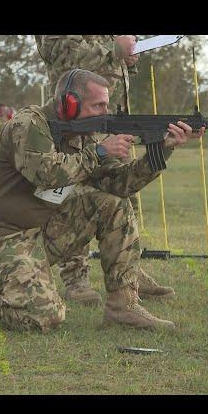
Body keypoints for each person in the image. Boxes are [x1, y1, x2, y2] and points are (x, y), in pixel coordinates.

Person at [0, 68, 203, 331]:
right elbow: (46, 175)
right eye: (98, 105)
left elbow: (120, 184)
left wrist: (162, 149)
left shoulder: (84, 136)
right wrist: (100, 152)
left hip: (41, 231)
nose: (105, 112)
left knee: (113, 205)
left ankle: (123, 307)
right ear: (69, 103)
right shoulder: (29, 124)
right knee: (44, 317)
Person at [34, 35, 171, 305]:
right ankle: (76, 278)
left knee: (124, 194)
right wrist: (114, 50)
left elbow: (115, 61)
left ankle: (127, 272)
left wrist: (129, 58)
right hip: (77, 117)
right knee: (75, 193)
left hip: (112, 116)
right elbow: (59, 50)